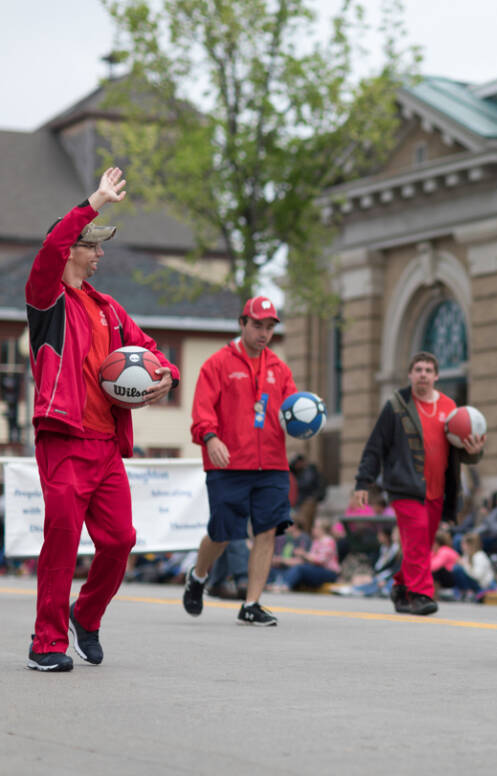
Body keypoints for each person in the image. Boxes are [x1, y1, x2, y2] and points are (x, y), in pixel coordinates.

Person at [24, 167, 178, 672]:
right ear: (70, 248)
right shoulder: (47, 298)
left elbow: (153, 351)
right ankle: (47, 643)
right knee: (63, 538)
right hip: (64, 439)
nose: (100, 253)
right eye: (92, 245)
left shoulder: (109, 308)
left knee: (121, 540)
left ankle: (85, 615)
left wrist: (168, 376)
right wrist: (93, 203)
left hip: (106, 444)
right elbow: (48, 251)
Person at [182, 295, 296, 627]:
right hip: (228, 463)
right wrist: (210, 437)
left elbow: (292, 411)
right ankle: (199, 575)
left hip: (272, 463)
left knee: (267, 531)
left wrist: (306, 421)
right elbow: (201, 411)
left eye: (270, 327)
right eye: (257, 325)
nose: (263, 333)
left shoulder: (279, 368)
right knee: (222, 532)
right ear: (242, 324)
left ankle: (251, 603)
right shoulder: (217, 364)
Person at [352, 352, 485, 616]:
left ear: (436, 376)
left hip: (437, 491)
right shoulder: (397, 405)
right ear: (410, 375)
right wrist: (362, 482)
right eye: (418, 369)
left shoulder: (450, 407)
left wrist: (475, 450)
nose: (423, 374)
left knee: (421, 544)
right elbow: (375, 447)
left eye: (428, 370)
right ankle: (421, 594)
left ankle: (401, 586)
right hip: (404, 487)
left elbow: (463, 452)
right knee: (417, 537)